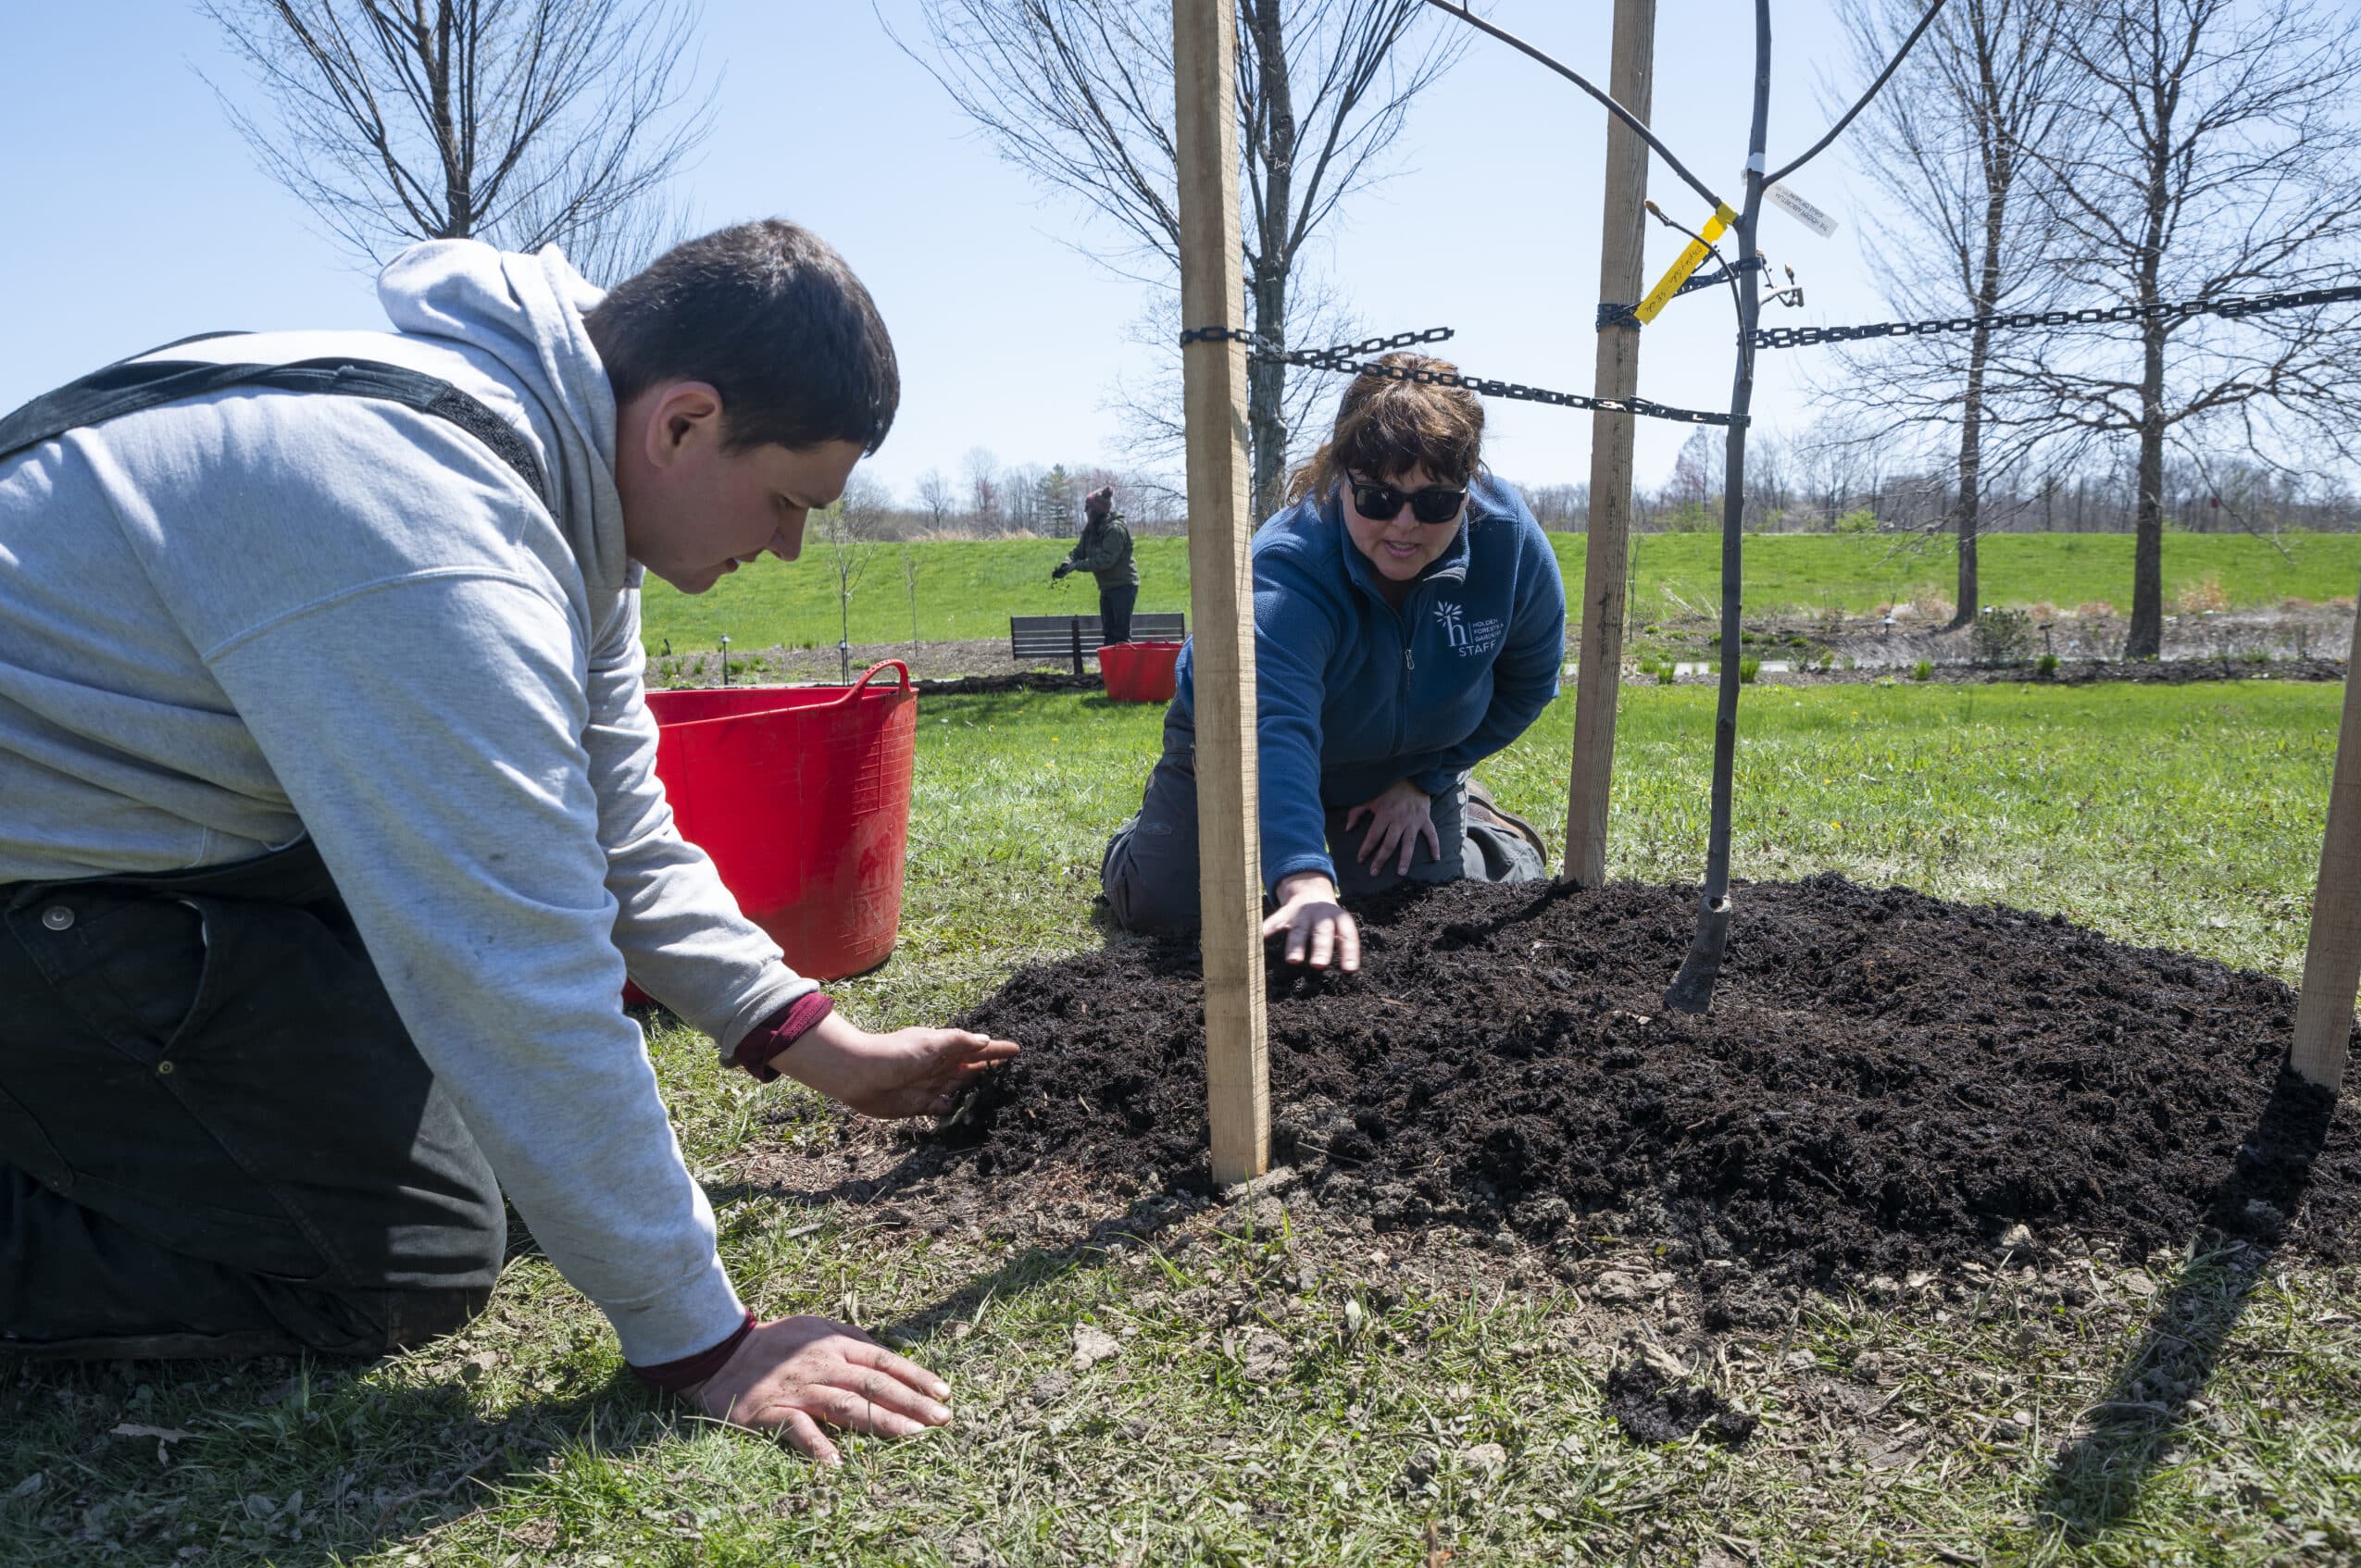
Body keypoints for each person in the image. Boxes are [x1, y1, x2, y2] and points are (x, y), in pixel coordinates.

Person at [0, 220, 1014, 1464]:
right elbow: (508, 964)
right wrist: (699, 1335)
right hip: (49, 887)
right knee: (410, 1256)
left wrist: (807, 1036)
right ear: (684, 423)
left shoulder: (543, 481)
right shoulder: (428, 534)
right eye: (789, 499)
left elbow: (612, 827)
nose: (791, 545)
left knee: (497, 1167)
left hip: (149, 854)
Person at [1099, 355, 1565, 969]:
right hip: (1242, 740)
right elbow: (1275, 728)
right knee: (1169, 905)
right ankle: (1145, 838)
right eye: (1377, 497)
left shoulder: (1507, 542)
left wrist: (1427, 778)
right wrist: (1305, 880)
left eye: (1434, 504)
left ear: (1468, 487)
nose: (1404, 525)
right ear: (1341, 476)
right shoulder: (1287, 569)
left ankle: (1486, 827)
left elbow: (1529, 680)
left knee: (1418, 902)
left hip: (1400, 764)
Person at [1052, 484, 1139, 644]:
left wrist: (1077, 566)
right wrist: (1066, 564)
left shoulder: (1115, 529)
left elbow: (1105, 561)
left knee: (1120, 635)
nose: (1085, 511)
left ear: (1096, 510)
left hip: (1123, 587)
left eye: (1087, 507)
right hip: (1107, 587)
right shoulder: (1091, 529)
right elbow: (1078, 552)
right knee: (1108, 633)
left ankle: (1123, 669)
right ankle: (1110, 669)